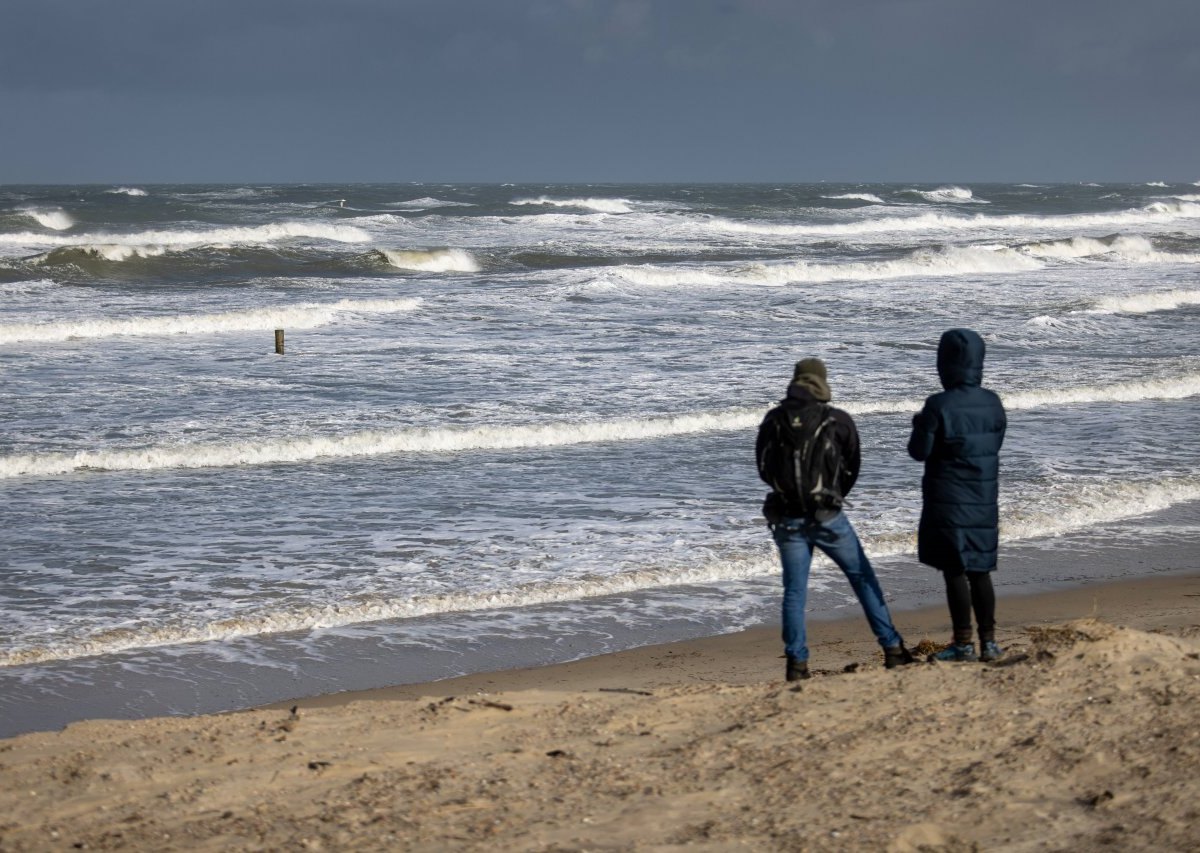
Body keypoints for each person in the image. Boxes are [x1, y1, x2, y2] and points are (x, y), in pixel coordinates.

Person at [756, 358, 914, 681]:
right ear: (821, 381)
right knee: (862, 579)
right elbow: (853, 466)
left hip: (787, 518)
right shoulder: (837, 420)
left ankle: (797, 666)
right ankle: (893, 650)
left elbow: (763, 468)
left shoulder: (773, 420)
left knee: (794, 592)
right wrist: (833, 494)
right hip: (829, 518)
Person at [907, 328, 1007, 662]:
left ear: (944, 363)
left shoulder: (938, 405)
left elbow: (919, 452)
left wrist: (920, 424)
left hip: (948, 500)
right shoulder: (993, 403)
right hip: (982, 497)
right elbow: (993, 444)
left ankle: (963, 643)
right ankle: (990, 643)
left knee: (954, 570)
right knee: (980, 570)